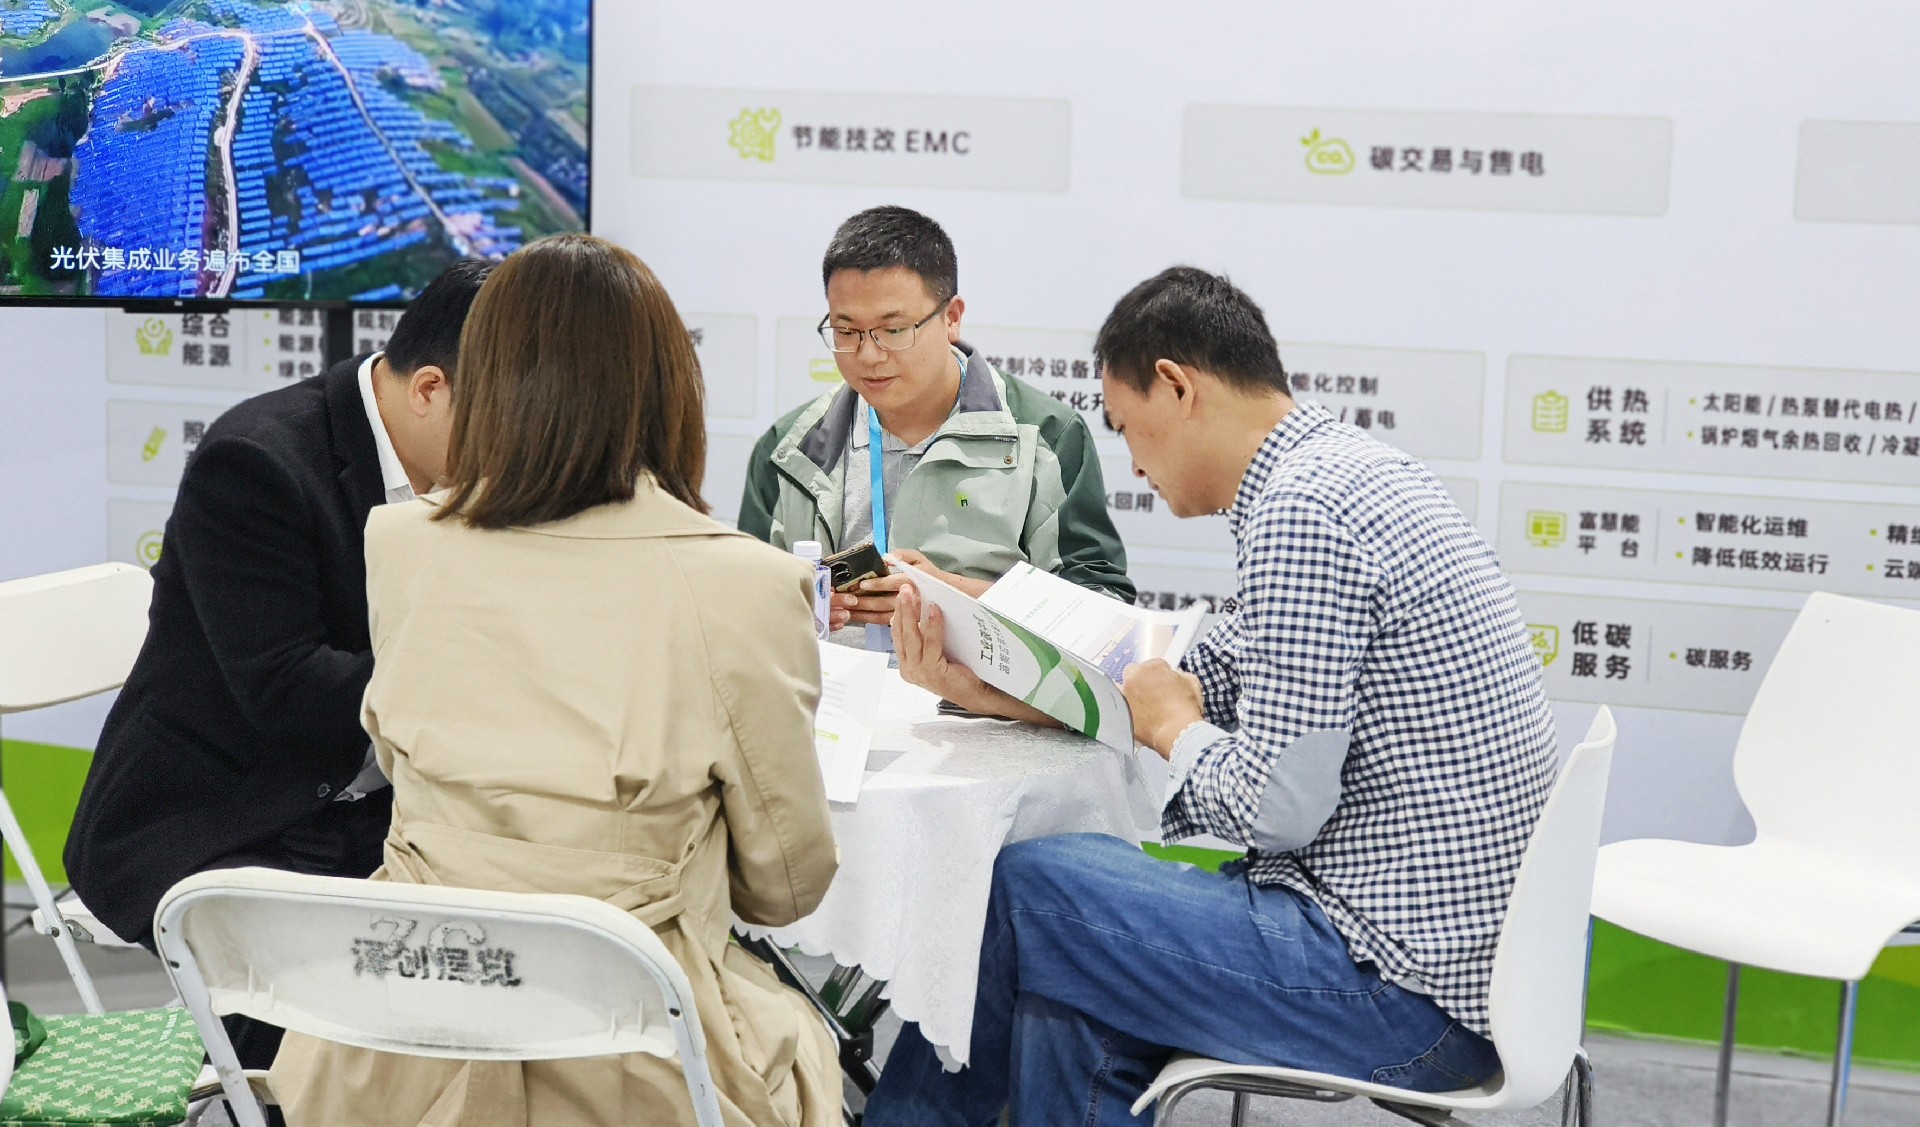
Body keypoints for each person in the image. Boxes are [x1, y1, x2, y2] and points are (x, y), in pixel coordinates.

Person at [863, 267, 1559, 1126]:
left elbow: (1276, 807)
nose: (1134, 462)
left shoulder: (1303, 514)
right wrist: (991, 628)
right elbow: (1194, 667)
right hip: (1456, 972)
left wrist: (1176, 729)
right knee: (1073, 976)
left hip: (1392, 985)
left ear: (1177, 385)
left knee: (1027, 887)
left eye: (1126, 427)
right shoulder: (1343, 473)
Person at [269, 233, 841, 1127]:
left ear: (490, 382)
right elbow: (785, 886)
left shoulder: (404, 544)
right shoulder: (747, 586)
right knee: (805, 1046)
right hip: (636, 1062)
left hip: (398, 1054)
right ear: (667, 388)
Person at [66, 260, 491, 957]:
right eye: (510, 428)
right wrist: (485, 673)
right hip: (229, 817)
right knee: (389, 988)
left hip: (379, 815)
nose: (520, 455)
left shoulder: (469, 473)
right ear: (429, 389)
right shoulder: (255, 462)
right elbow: (287, 690)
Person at [739, 205, 1133, 632]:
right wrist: (794, 610)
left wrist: (952, 596)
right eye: (846, 332)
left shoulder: (1046, 436)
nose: (868, 355)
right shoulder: (788, 450)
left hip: (978, 681)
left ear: (951, 318)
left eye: (893, 330)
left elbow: (1102, 609)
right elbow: (738, 607)